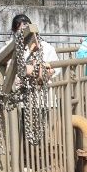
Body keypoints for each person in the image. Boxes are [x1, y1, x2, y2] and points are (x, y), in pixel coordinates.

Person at [13, 13, 62, 160]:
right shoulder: (13, 48)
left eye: (26, 29)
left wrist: (43, 73)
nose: (24, 33)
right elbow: (7, 69)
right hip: (21, 97)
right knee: (22, 130)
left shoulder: (45, 47)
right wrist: (17, 77)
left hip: (41, 96)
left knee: (40, 129)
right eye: (20, 30)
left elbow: (56, 67)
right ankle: (25, 160)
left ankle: (38, 160)